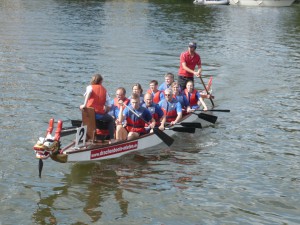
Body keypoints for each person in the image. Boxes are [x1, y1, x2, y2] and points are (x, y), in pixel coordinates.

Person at [79, 74, 115, 141]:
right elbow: (109, 105)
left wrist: (84, 105)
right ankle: (112, 138)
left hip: (89, 114)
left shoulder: (90, 87)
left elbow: (88, 93)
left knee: (85, 121)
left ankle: (80, 138)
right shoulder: (105, 90)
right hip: (99, 114)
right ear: (101, 81)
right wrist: (106, 110)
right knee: (111, 120)